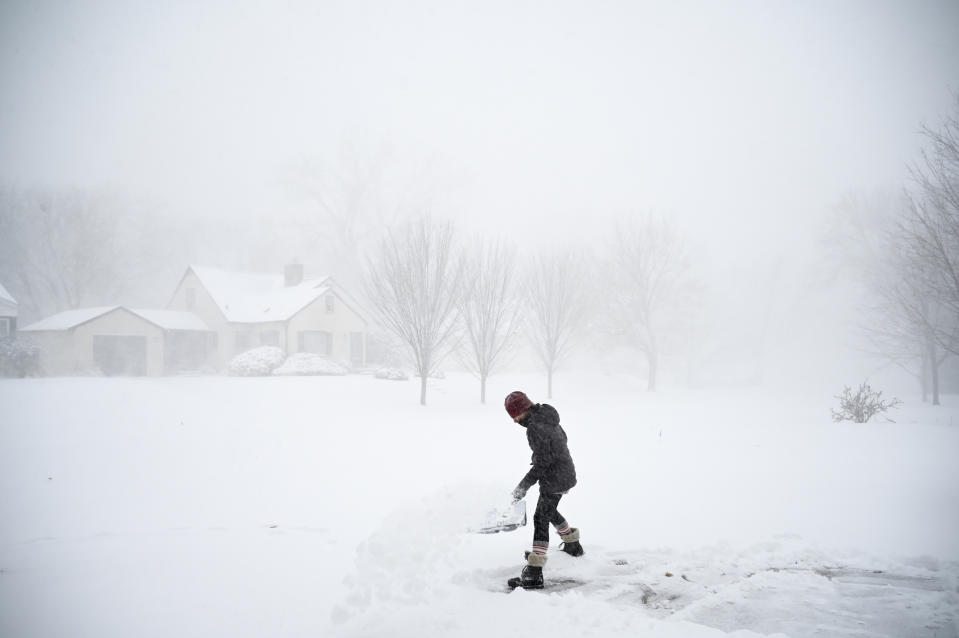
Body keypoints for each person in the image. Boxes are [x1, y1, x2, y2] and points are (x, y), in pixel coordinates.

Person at [504, 390, 584, 590]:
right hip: (565, 473)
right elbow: (558, 444)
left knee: (540, 517)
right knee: (548, 511)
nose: (514, 421)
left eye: (515, 415)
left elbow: (543, 462)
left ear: (523, 410)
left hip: (555, 478)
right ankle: (573, 545)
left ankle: (534, 573)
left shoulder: (535, 427)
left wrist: (523, 486)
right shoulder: (547, 418)